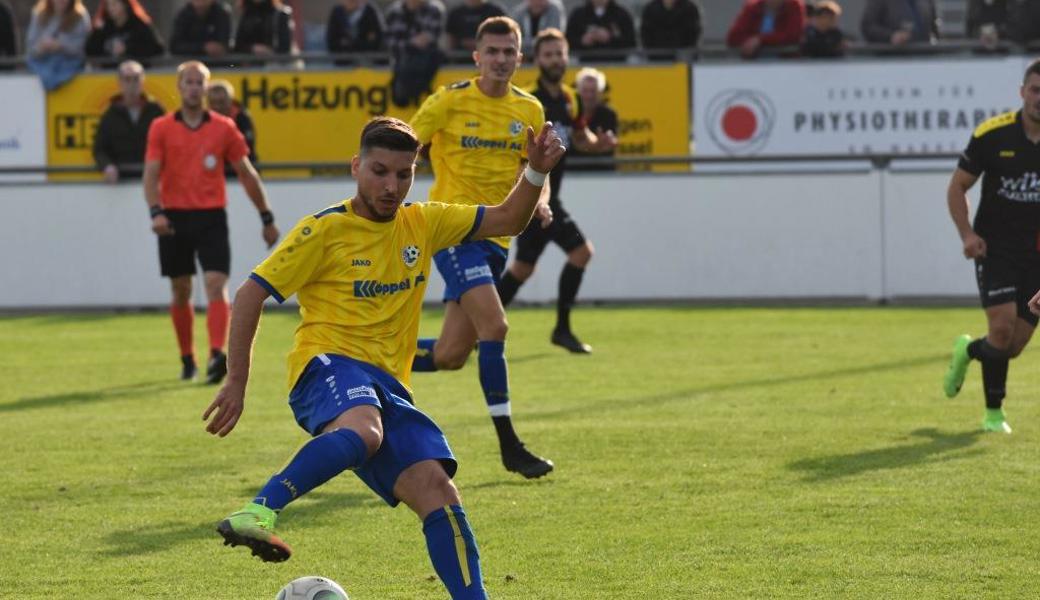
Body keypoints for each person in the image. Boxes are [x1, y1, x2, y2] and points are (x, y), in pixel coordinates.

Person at [204, 116, 565, 600]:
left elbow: (507, 219)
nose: (392, 185)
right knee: (364, 431)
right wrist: (236, 381)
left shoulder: (423, 222)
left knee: (437, 489)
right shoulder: (323, 230)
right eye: (379, 171)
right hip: (326, 365)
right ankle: (259, 511)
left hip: (388, 384)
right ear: (356, 167)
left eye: (404, 173)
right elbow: (250, 293)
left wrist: (536, 174)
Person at [408, 16, 555, 478]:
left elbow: (536, 173)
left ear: (519, 56)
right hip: (453, 230)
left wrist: (542, 202)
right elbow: (404, 144)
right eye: (492, 51)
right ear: (477, 57)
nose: (500, 59)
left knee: (451, 354)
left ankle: (368, 354)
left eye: (508, 51)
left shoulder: (530, 109)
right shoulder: (448, 101)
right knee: (495, 326)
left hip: (496, 238)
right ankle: (510, 445)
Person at [143, 61, 279, 384]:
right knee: (181, 289)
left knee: (216, 283)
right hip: (173, 217)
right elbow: (150, 175)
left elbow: (246, 173)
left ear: (206, 88)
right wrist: (155, 211)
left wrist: (266, 216)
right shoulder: (161, 127)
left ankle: (217, 354)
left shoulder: (224, 127)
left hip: (211, 216)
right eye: (187, 82)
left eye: (198, 82)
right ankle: (187, 357)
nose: (193, 87)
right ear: (179, 87)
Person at [497, 29, 615, 354]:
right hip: (535, 198)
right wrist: (541, 199)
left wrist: (599, 144)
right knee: (578, 253)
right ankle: (556, 329)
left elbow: (579, 137)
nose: (555, 60)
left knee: (525, 268)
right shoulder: (530, 102)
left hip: (549, 199)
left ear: (567, 56)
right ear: (537, 60)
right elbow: (525, 160)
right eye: (548, 55)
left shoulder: (569, 97)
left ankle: (484, 328)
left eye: (559, 54)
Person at [942, 59, 1040, 435]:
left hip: (1037, 258)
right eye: (1035, 90)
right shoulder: (992, 135)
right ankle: (993, 414)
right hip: (995, 249)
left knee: (1013, 345)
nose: (1039, 99)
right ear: (1022, 92)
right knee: (1001, 330)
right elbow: (957, 187)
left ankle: (967, 352)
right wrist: (967, 234)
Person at [93, 60, 165, 182]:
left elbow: (167, 142)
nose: (132, 84)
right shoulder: (110, 114)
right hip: (121, 183)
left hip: (153, 180)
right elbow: (99, 149)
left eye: (136, 79)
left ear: (143, 81)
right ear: (119, 82)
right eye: (127, 79)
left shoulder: (155, 111)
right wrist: (107, 166)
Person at [385, 0, 445, 106]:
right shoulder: (394, 11)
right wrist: (411, 43)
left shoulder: (434, 9)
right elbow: (390, 42)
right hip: (400, 65)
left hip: (426, 66)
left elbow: (430, 39)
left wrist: (406, 44)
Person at [25, 0, 90, 90]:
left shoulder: (80, 17)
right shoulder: (39, 15)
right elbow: (30, 48)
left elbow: (83, 48)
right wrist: (41, 47)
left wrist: (61, 46)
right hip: (42, 65)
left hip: (70, 69)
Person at [568, 67, 618, 172]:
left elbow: (609, 146)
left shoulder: (609, 114)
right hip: (571, 171)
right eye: (585, 91)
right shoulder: (568, 113)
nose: (589, 96)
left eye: (593, 91)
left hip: (600, 171)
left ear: (600, 93)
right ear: (577, 91)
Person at [85, 0, 165, 64]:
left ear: (125, 4)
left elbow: (157, 48)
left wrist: (127, 49)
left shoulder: (139, 24)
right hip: (108, 77)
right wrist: (97, 33)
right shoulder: (103, 26)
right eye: (108, 5)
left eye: (114, 4)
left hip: (134, 75)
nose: (111, 8)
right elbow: (89, 51)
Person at [206, 79, 259, 174]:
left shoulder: (242, 118)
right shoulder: (203, 120)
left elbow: (247, 148)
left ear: (230, 100)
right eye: (213, 103)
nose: (217, 107)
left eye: (221, 102)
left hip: (240, 173)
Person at [726, 0, 805, 59]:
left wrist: (760, 40)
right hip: (753, 66)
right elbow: (733, 37)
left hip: (786, 65)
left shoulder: (794, 6)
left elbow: (793, 36)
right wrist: (749, 42)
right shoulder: (752, 8)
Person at [564, 0, 636, 59]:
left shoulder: (622, 14)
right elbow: (567, 42)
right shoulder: (578, 15)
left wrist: (610, 38)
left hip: (617, 65)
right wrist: (582, 41)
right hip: (584, 63)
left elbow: (631, 43)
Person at [860, 0, 938, 46]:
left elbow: (934, 29)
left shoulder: (926, 2)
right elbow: (868, 26)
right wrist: (891, 36)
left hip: (925, 61)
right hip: (892, 61)